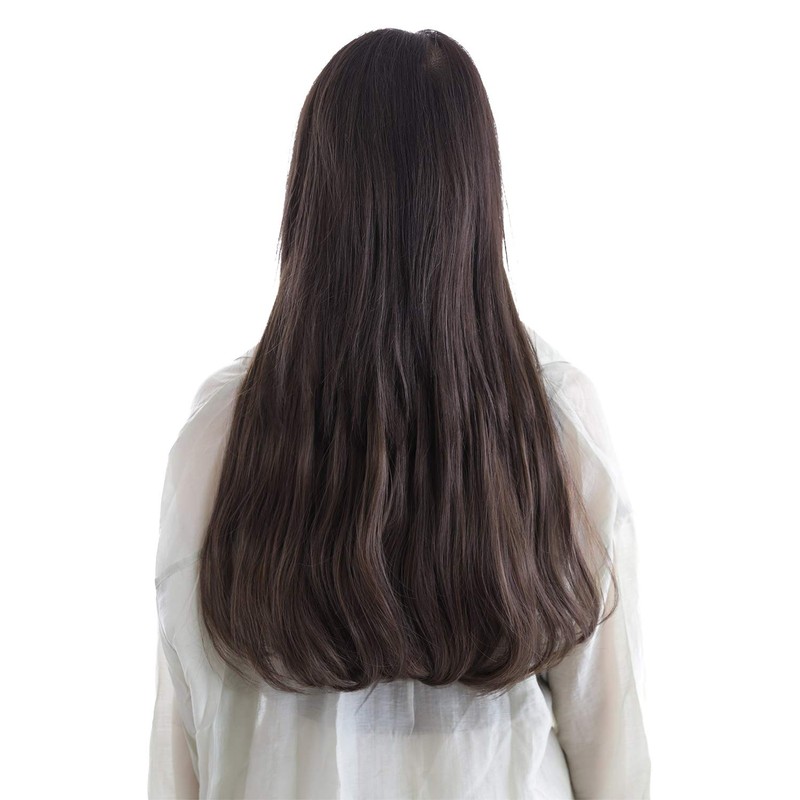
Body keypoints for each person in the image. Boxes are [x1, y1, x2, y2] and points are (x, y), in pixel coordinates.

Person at [148, 27, 651, 800]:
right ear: (477, 199)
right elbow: (609, 743)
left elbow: (183, 737)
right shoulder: (553, 423)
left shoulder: (219, 437)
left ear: (312, 197)